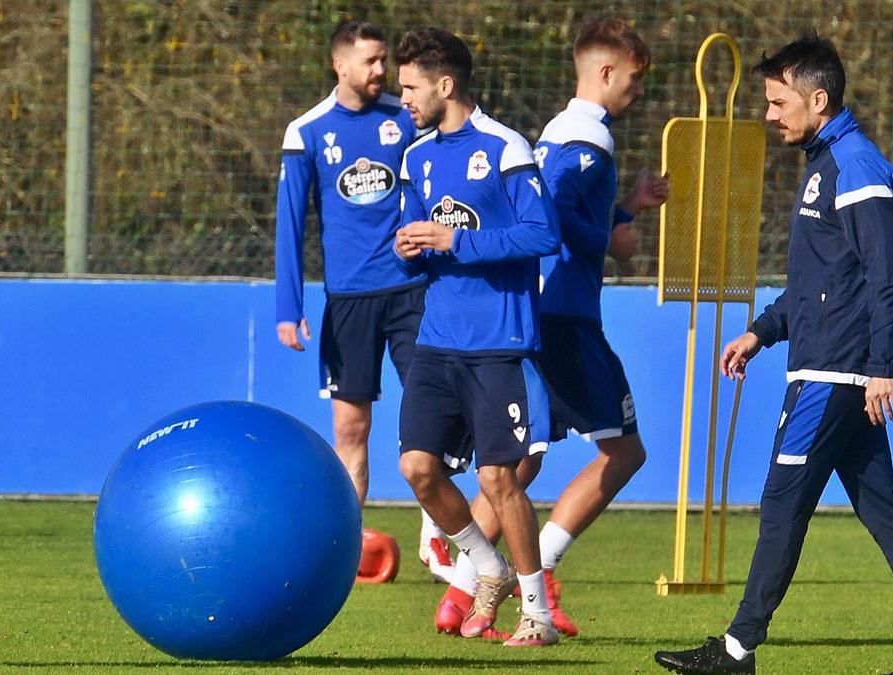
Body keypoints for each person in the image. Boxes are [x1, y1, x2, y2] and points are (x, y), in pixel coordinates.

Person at [653, 37, 893, 675]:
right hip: (835, 367)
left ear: (817, 100)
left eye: (778, 101)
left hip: (835, 374)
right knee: (884, 511)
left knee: (781, 504)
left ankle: (738, 650)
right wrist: (761, 332)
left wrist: (886, 367)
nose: (769, 114)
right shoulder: (828, 163)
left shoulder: (855, 167)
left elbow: (890, 278)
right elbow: (819, 281)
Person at [431, 16, 668, 639]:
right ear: (606, 72)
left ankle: (460, 594)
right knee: (625, 451)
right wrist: (611, 238)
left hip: (545, 311)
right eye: (636, 80)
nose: (639, 93)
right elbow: (555, 215)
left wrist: (625, 206)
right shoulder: (585, 141)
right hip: (567, 315)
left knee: (520, 463)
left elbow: (554, 205)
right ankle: (544, 570)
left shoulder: (564, 132)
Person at [392, 27, 562, 647]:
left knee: (498, 479)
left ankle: (538, 615)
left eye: (410, 87)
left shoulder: (507, 147)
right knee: (416, 465)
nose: (402, 98)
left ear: (446, 84)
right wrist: (408, 248)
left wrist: (454, 241)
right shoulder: (415, 157)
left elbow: (542, 235)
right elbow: (416, 244)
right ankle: (485, 568)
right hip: (437, 341)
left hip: (498, 343)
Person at [273, 19, 453, 584]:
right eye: (372, 61)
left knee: (434, 415)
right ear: (340, 65)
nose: (382, 72)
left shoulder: (407, 120)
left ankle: (437, 536)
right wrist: (288, 305)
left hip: (411, 292)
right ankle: (348, 547)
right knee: (351, 430)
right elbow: (290, 224)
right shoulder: (306, 132)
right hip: (348, 302)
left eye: (384, 62)